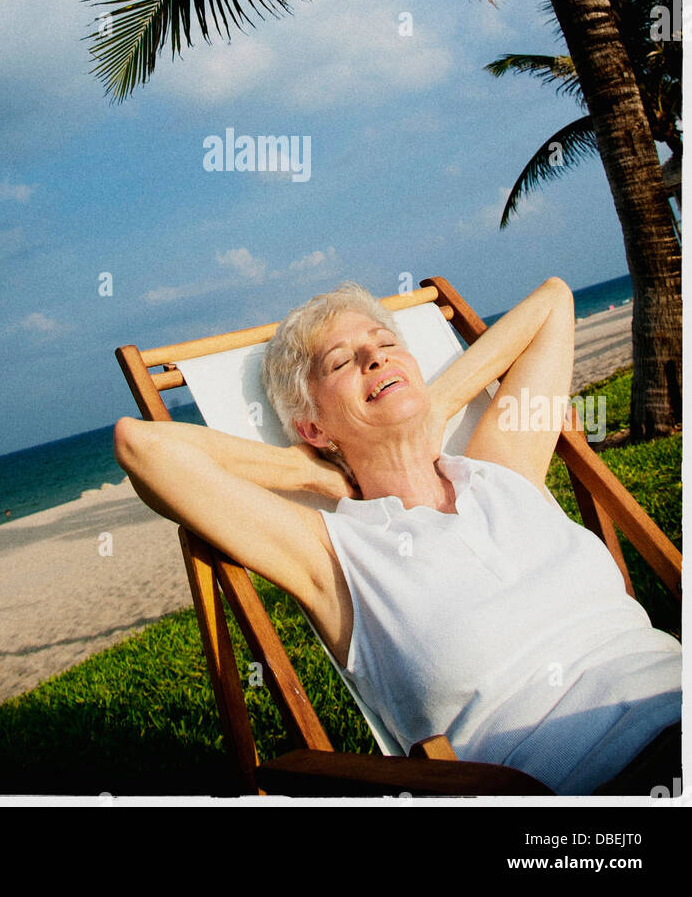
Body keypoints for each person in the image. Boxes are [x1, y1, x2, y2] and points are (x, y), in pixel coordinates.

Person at [115, 277, 681, 796]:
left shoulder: (500, 469)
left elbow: (554, 301)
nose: (374, 355)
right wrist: (305, 470)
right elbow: (143, 447)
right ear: (314, 427)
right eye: (342, 361)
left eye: (385, 342)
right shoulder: (335, 555)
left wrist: (436, 404)